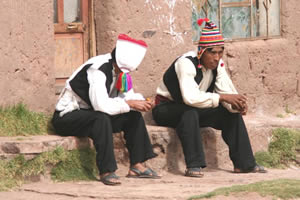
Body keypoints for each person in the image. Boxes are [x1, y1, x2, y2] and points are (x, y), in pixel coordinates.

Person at [152, 18, 267, 178]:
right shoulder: (186, 63)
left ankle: (245, 164)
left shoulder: (217, 66)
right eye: (212, 52)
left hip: (195, 108)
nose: (216, 57)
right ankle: (194, 165)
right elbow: (190, 98)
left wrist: (236, 105)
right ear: (201, 51)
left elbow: (227, 92)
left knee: (230, 115)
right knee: (189, 113)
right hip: (166, 109)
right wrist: (223, 98)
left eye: (220, 52)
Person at [52, 34, 160, 185]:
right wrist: (129, 103)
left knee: (133, 116)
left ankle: (137, 166)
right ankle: (107, 170)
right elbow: (101, 105)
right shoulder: (98, 69)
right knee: (101, 118)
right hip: (68, 117)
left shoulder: (122, 73)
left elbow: (127, 96)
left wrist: (142, 102)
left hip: (91, 115)